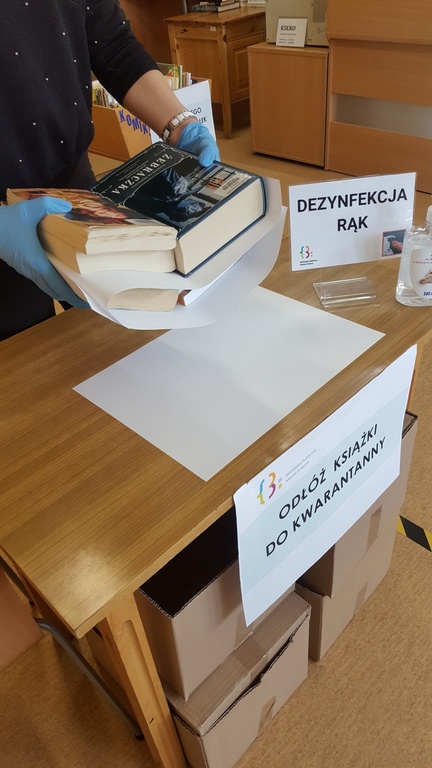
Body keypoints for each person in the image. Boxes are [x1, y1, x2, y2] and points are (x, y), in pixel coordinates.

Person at [0, 0, 220, 341]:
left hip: (74, 188)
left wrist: (179, 124)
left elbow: (110, 41)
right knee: (26, 356)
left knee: (114, 336)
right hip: (6, 222)